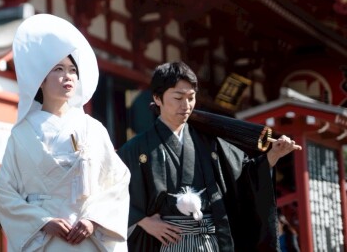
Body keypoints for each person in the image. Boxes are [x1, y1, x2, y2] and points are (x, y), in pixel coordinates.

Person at [118, 61, 301, 251]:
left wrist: (274, 154)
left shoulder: (209, 141)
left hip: (209, 243)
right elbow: (109, 192)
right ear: (157, 98)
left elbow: (245, 174)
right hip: (164, 243)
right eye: (178, 97)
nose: (186, 105)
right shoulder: (136, 148)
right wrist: (142, 220)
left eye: (191, 97)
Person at [0, 13, 131, 251]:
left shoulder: (94, 129)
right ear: (41, 80)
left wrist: (92, 220)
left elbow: (117, 180)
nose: (67, 76)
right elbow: (5, 192)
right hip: (46, 240)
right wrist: (43, 222)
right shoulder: (21, 134)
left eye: (72, 70)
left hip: (87, 236)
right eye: (58, 69)